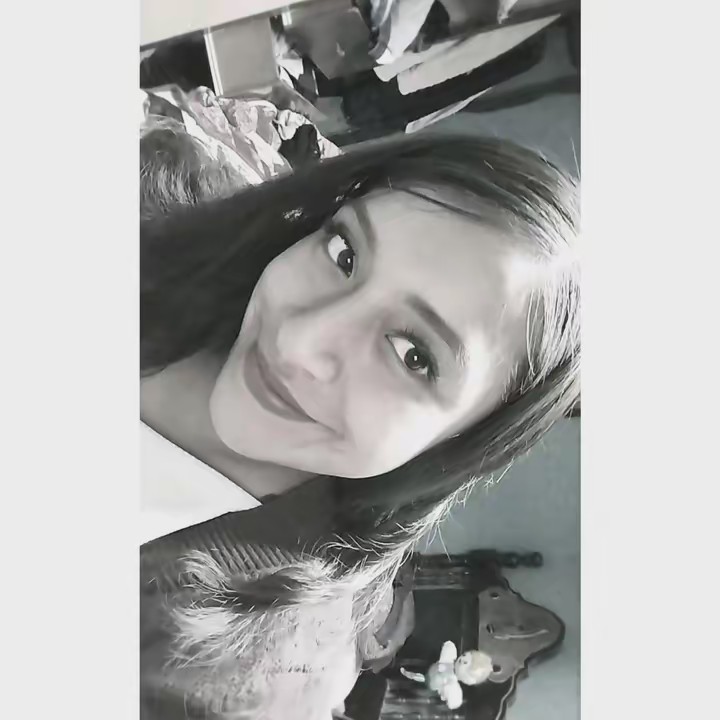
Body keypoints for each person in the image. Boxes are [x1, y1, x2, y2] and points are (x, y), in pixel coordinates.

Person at [140, 131, 580, 718]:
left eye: (413, 355)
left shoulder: (227, 678)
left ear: (459, 446)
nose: (299, 342)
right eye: (344, 254)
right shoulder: (165, 197)